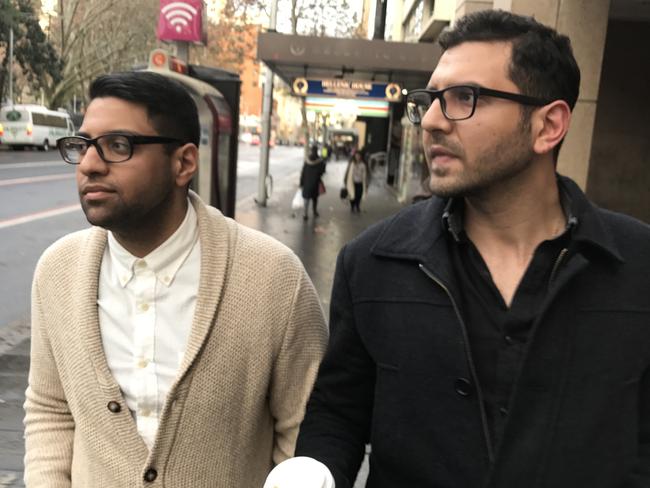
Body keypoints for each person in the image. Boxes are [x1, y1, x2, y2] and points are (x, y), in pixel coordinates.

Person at [269, 9, 650, 488]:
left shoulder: (637, 265)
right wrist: (313, 471)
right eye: (428, 100)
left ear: (548, 125)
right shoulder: (372, 262)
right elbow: (339, 413)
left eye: (464, 98)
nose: (430, 122)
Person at [23, 71, 328, 487]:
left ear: (183, 162)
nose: (90, 165)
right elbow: (50, 408)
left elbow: (303, 433)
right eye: (82, 145)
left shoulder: (274, 278)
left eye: (118, 146)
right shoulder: (57, 272)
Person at [299, 144, 325, 221]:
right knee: (315, 198)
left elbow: (303, 172)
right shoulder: (320, 161)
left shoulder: (307, 160)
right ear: (317, 151)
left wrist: (301, 183)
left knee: (306, 199)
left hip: (307, 182)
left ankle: (305, 214)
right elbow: (322, 171)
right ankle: (314, 211)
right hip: (315, 182)